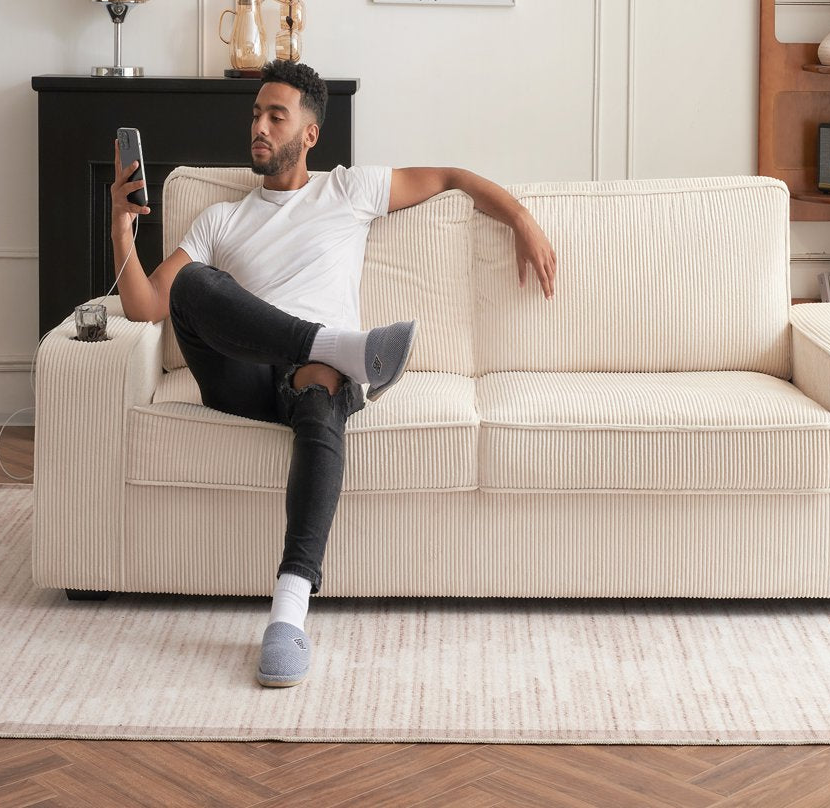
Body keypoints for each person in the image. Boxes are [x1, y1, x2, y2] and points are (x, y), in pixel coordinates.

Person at [110, 59, 557, 687]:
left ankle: (288, 615)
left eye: (275, 116)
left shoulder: (347, 191)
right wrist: (121, 227)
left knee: (319, 389)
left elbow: (453, 176)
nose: (259, 127)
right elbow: (145, 306)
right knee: (193, 285)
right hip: (241, 373)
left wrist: (522, 218)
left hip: (313, 379)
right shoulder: (222, 219)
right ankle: (342, 347)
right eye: (255, 114)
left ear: (310, 134)